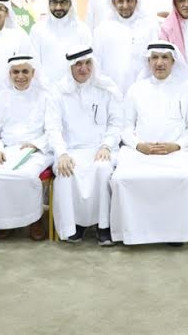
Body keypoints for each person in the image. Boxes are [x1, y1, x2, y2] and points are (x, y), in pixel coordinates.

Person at [110, 42, 188, 245]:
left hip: (176, 152)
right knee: (121, 179)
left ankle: (174, 233)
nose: (160, 63)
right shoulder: (136, 89)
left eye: (165, 57)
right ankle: (133, 232)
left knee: (185, 178)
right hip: (140, 152)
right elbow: (126, 127)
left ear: (173, 61)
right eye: (155, 58)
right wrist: (139, 145)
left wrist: (176, 146)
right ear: (148, 61)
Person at [0, 55, 53, 240]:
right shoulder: (0, 98)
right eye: (16, 72)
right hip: (5, 150)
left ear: (33, 73)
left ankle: (34, 219)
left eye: (25, 71)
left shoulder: (45, 97)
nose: (20, 76)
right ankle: (1, 220)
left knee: (26, 176)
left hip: (36, 151)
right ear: (9, 74)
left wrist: (36, 144)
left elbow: (53, 130)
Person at [46, 46, 123, 245]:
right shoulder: (58, 92)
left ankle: (103, 226)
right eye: (78, 64)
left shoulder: (106, 88)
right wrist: (62, 153)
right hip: (70, 149)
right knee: (67, 170)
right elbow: (52, 127)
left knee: (102, 169)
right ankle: (74, 225)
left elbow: (116, 123)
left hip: (101, 148)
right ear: (70, 67)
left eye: (88, 63)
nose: (84, 68)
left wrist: (106, 146)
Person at [93, 0, 159, 94]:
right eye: (120, 1)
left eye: (129, 0)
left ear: (136, 1)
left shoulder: (150, 27)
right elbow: (97, 64)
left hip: (143, 91)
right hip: (111, 92)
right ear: (113, 3)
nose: (125, 5)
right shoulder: (102, 30)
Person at [29, 0, 93, 84]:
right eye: (54, 2)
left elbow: (87, 61)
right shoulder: (37, 30)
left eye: (63, 2)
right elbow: (34, 62)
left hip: (75, 88)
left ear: (70, 4)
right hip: (46, 88)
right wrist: (45, 86)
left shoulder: (82, 29)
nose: (58, 7)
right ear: (48, 3)